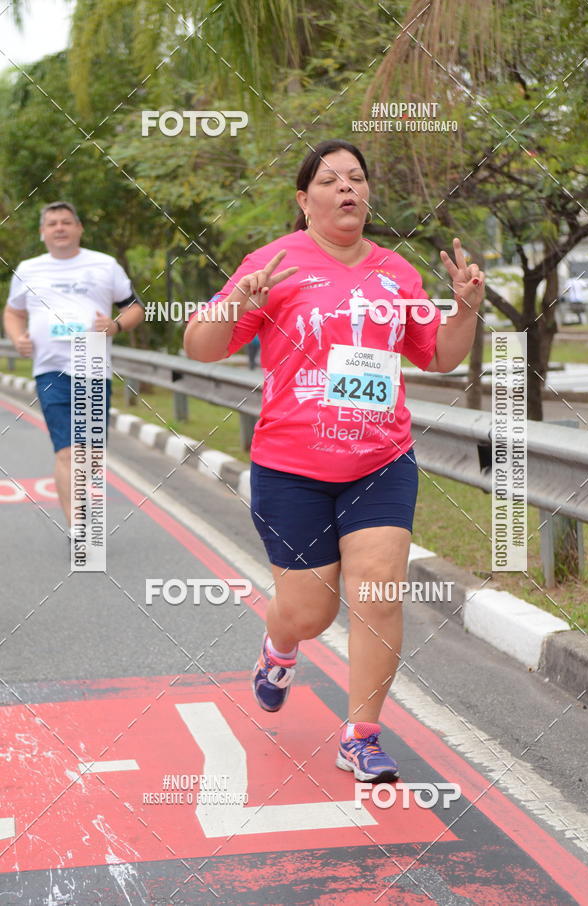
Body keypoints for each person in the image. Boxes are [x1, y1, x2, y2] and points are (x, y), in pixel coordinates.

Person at [184, 139, 485, 782]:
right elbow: (201, 345)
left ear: (368, 193)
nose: (347, 187)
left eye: (356, 177)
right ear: (304, 199)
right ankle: (280, 644)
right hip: (291, 467)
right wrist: (240, 300)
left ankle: (361, 735)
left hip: (380, 460)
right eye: (330, 179)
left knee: (377, 596)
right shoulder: (273, 264)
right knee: (312, 612)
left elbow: (439, 356)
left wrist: (466, 309)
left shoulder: (397, 273)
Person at [3, 201, 145, 538]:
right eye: (52, 223)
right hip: (49, 370)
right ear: (43, 233)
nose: (60, 228)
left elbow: (135, 308)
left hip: (94, 369)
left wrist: (115, 326)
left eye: (67, 222)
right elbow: (12, 312)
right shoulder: (28, 268)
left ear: (79, 228)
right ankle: (78, 526)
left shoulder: (104, 264)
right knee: (67, 450)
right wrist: (16, 337)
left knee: (91, 454)